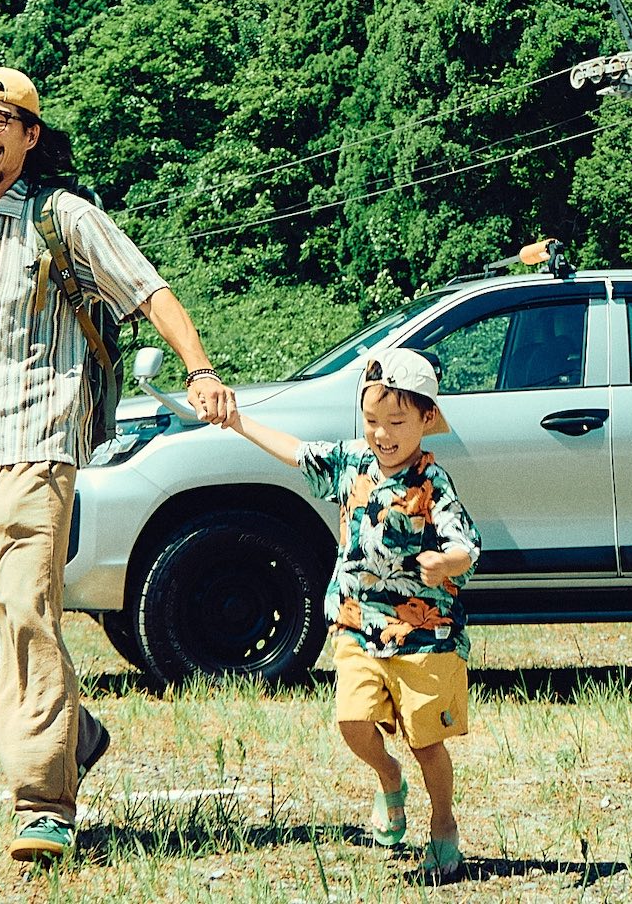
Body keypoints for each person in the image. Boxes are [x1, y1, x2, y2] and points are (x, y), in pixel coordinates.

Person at [0, 66, 239, 863]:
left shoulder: (66, 221)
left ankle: (44, 804)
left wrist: (198, 367)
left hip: (36, 446)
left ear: (31, 135)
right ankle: (78, 732)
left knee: (29, 617)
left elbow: (150, 294)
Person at [225, 347, 480, 882]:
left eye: (396, 422)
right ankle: (389, 780)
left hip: (423, 635)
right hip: (357, 621)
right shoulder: (352, 463)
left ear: (426, 419)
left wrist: (445, 561)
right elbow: (295, 452)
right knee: (352, 720)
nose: (382, 434)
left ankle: (442, 823)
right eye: (371, 421)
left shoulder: (433, 483)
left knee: (425, 741)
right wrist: (239, 421)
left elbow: (467, 545)